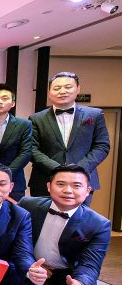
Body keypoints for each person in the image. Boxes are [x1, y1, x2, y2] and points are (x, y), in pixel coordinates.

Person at [20, 165, 111, 285]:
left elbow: (90, 263)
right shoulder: (28, 205)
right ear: (49, 186)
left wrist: (81, 283)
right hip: (34, 265)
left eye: (76, 185)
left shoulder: (98, 224)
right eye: (61, 184)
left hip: (67, 271)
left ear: (88, 190)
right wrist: (30, 265)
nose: (68, 190)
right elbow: (15, 243)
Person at [29, 72, 110, 200]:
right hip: (44, 181)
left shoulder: (94, 115)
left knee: (79, 214)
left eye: (68, 87)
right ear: (49, 93)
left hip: (82, 181)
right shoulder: (36, 118)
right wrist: (57, 168)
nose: (62, 91)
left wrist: (79, 168)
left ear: (78, 89)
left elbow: (102, 146)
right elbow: (32, 149)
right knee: (44, 214)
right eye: (57, 88)